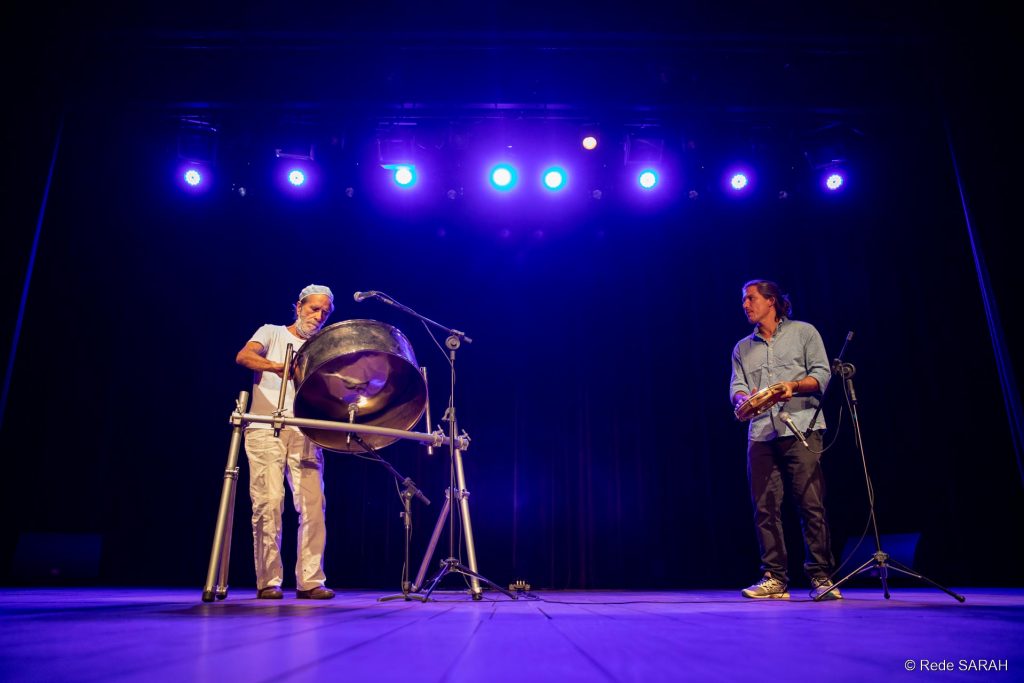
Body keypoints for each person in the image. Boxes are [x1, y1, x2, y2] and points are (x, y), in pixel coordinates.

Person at [729, 279, 841, 600]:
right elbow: (736, 386)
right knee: (764, 507)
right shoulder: (741, 348)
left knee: (810, 503)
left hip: (801, 428)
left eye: (750, 298)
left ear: (772, 301)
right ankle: (775, 578)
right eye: (744, 300)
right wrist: (741, 399)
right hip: (761, 434)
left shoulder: (804, 332)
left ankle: (821, 576)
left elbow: (821, 375)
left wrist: (791, 386)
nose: (745, 305)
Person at [235, 284, 336, 599]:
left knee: (313, 505)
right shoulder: (272, 332)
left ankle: (310, 581)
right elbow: (244, 356)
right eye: (313, 309)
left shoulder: (323, 346)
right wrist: (279, 368)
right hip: (267, 428)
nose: (318, 316)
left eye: (324, 312)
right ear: (299, 306)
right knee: (269, 502)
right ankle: (269, 581)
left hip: (306, 431)